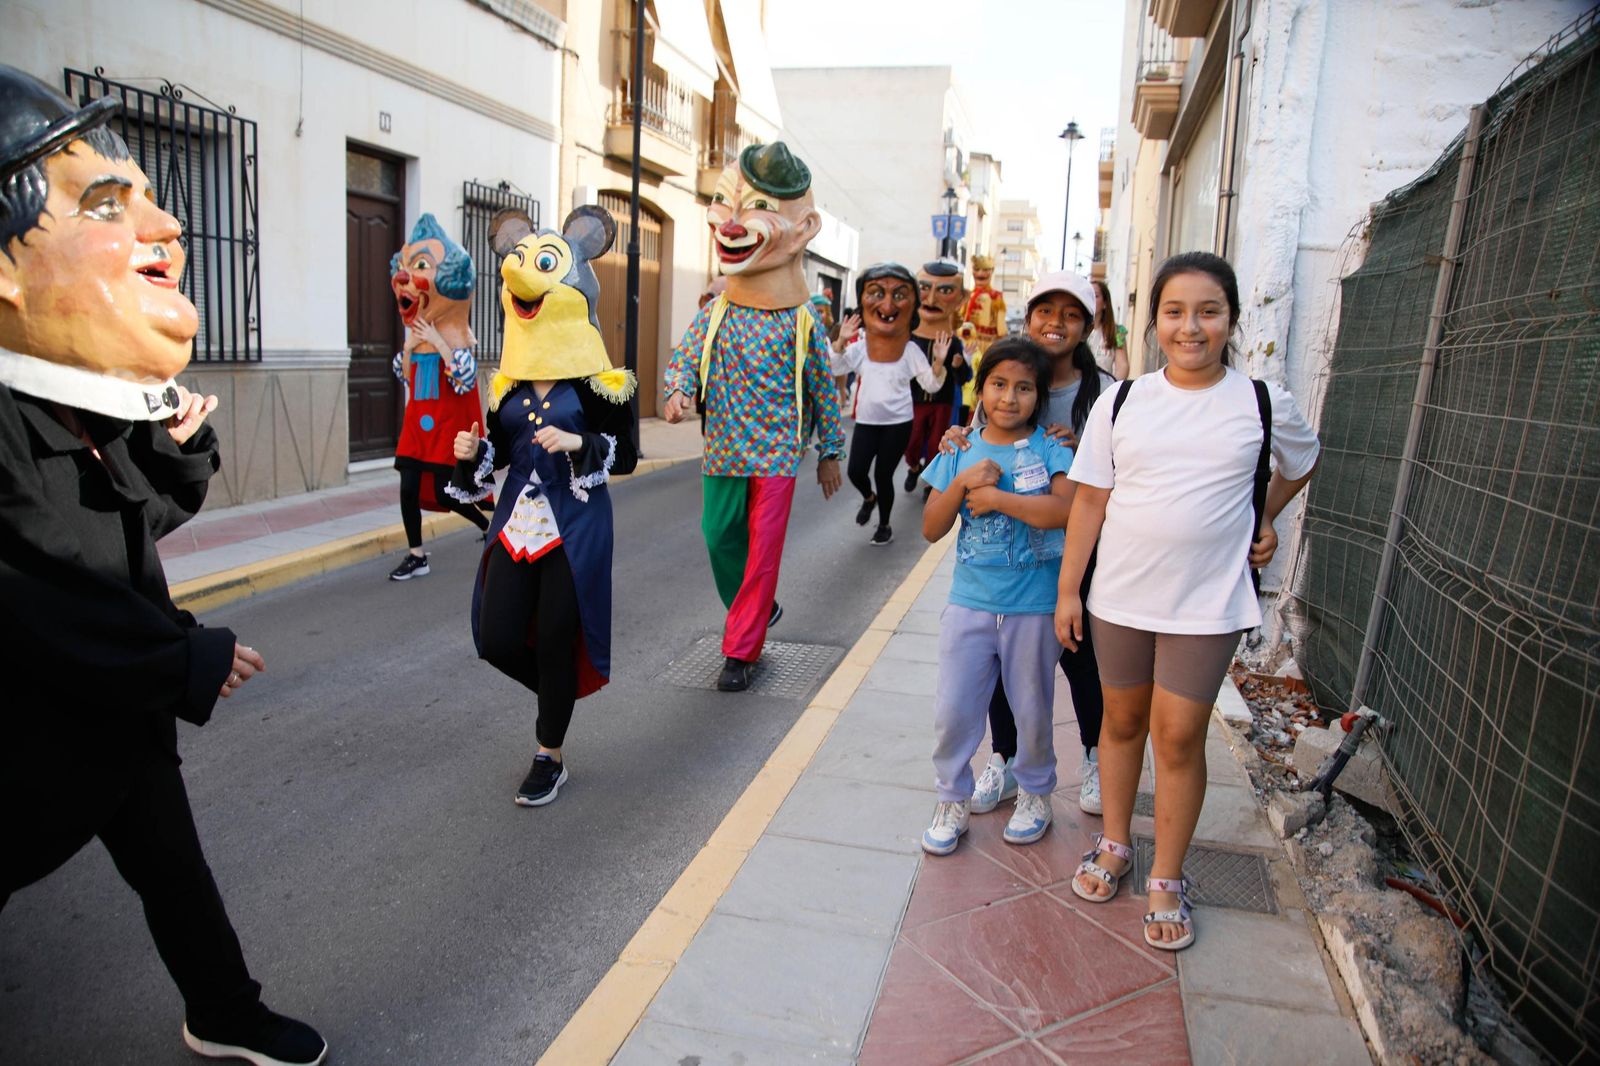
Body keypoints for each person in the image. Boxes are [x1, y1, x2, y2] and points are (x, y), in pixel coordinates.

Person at [0, 66, 326, 1065]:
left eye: (146, 192)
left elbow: (138, 521)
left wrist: (174, 444)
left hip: (116, 711)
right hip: (28, 729)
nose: (166, 224)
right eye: (108, 203)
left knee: (173, 869)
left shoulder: (70, 393)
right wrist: (185, 653)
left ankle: (222, 1007)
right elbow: (37, 589)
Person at [1058, 252, 1320, 952]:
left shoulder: (1262, 403)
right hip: (1118, 596)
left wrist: (1260, 518)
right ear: (1155, 324)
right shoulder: (1122, 400)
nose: (1191, 327)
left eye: (1208, 311)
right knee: (1121, 724)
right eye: (1175, 312)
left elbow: (1303, 460)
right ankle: (1114, 845)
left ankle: (1167, 877)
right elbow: (1090, 499)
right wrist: (1068, 593)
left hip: (1207, 602)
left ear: (1231, 318)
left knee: (1177, 736)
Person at [450, 206, 638, 807]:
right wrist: (472, 451)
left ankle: (548, 753)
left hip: (576, 523)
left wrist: (583, 442)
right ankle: (556, 695)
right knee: (497, 637)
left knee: (558, 636)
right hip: (517, 521)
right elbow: (497, 455)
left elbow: (628, 454)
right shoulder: (506, 381)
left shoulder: (600, 380)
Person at [662, 142, 846, 693]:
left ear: (800, 228)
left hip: (779, 452)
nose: (735, 222)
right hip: (722, 445)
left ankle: (740, 650)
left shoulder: (805, 319)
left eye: (757, 206)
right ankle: (756, 608)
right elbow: (684, 358)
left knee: (763, 551)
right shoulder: (715, 311)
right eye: (727, 203)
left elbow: (823, 386)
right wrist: (676, 392)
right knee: (719, 536)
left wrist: (830, 453)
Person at [942, 272, 1114, 819]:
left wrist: (1082, 445)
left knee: (1081, 656)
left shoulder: (1105, 391)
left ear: (1088, 325)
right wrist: (954, 442)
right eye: (1045, 310)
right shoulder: (1008, 373)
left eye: (1070, 314)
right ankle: (1007, 757)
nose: (1055, 323)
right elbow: (976, 439)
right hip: (1007, 562)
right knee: (1000, 664)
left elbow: (1117, 464)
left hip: (1085, 545)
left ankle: (1093, 754)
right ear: (1029, 316)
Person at [917, 337, 1076, 856]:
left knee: (1032, 707)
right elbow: (931, 528)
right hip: (970, 603)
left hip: (1034, 606)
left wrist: (997, 498)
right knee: (954, 708)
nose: (1010, 398)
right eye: (999, 385)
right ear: (980, 389)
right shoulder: (960, 448)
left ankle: (1034, 792)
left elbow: (1065, 512)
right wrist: (963, 482)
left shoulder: (1053, 447)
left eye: (1024, 388)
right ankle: (951, 797)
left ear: (1040, 395)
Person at [387, 213, 490, 580]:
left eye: (417, 265)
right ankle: (417, 554)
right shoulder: (415, 338)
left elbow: (462, 379)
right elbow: (403, 374)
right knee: (408, 485)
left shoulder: (458, 341)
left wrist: (440, 341)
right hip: (417, 426)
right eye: (403, 266)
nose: (403, 276)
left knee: (449, 494)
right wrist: (411, 345)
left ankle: (485, 526)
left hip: (448, 430)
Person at [830, 263, 946, 546]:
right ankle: (869, 499)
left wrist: (940, 361)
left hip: (898, 423)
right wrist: (841, 342)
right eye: (876, 293)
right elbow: (835, 368)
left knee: (884, 474)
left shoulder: (909, 350)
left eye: (899, 295)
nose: (887, 304)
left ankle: (884, 526)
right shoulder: (860, 347)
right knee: (856, 471)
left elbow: (931, 385)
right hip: (867, 422)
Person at [903, 259, 969, 488]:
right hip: (915, 400)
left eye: (945, 291)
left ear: (961, 298)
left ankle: (931, 482)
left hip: (943, 401)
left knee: (936, 444)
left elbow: (964, 379)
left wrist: (959, 366)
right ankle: (913, 466)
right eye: (924, 288)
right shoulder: (910, 339)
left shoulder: (954, 342)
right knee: (910, 442)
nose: (931, 300)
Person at [958, 253, 1007, 413]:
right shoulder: (967, 296)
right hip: (967, 342)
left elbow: (1001, 327)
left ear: (991, 271)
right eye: (977, 269)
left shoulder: (996, 297)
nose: (980, 273)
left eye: (985, 270)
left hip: (987, 344)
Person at [1088, 278, 1129, 381]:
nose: (1091, 299)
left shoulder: (1117, 332)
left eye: (1096, 296)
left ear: (1105, 303)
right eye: (1088, 295)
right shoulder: (1076, 330)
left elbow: (1122, 366)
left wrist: (1111, 389)